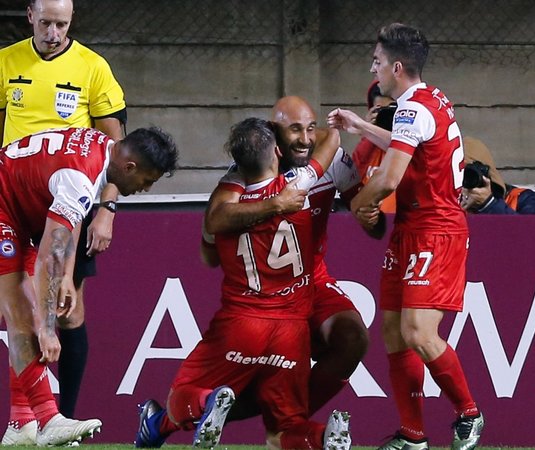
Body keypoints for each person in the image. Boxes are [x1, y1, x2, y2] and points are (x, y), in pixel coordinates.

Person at [134, 118, 351, 450]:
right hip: (291, 332)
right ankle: (322, 437)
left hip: (241, 325)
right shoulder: (299, 189)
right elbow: (333, 138)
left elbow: (210, 241)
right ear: (277, 151)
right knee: (285, 427)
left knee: (181, 395)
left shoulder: (225, 212)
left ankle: (208, 402)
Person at [327, 23, 484, 450]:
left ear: (396, 67)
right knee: (394, 332)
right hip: (412, 229)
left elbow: (390, 177)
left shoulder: (412, 108)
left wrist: (362, 202)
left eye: (377, 62)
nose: (373, 68)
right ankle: (413, 436)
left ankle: (469, 414)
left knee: (418, 331)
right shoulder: (428, 100)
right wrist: (361, 125)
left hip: (436, 228)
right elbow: (404, 143)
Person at [204, 96, 383, 422]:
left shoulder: (335, 162)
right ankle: (182, 418)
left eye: (311, 128)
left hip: (312, 281)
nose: (304, 139)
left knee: (352, 338)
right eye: (295, 130)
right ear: (274, 133)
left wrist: (371, 214)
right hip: (263, 294)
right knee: (263, 378)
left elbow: (368, 215)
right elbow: (215, 220)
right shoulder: (250, 169)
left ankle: (286, 422)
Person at [0, 126, 178, 446]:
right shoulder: (81, 176)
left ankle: (21, 422)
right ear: (130, 167)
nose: (144, 189)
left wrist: (68, 275)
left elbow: (69, 223)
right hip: (4, 209)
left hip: (16, 213)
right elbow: (50, 253)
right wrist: (47, 327)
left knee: (26, 308)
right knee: (21, 312)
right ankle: (48, 418)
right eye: (147, 181)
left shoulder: (99, 147)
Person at [0, 0, 127, 434]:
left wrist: (107, 208)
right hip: (16, 195)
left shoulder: (93, 68)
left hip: (71, 198)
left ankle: (63, 418)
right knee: (22, 307)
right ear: (30, 14)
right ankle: (27, 422)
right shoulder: (5, 62)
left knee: (66, 311)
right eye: (47, 22)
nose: (54, 32)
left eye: (63, 24)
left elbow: (118, 150)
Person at [460, 136, 535, 214]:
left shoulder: (521, 198)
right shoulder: (450, 203)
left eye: (467, 175)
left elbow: (532, 228)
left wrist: (489, 203)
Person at [351, 80, 397, 214]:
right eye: (380, 110)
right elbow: (354, 175)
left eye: (391, 110)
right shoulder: (368, 146)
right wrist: (369, 130)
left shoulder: (416, 144)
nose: (387, 115)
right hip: (374, 224)